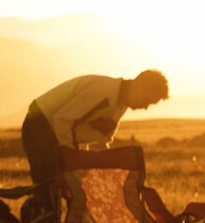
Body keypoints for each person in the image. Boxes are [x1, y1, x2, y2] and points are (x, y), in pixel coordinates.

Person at [21, 70, 169, 193]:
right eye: (148, 100)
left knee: (64, 192)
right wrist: (74, 162)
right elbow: (63, 121)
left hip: (54, 131)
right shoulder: (103, 92)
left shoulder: (120, 104)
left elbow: (101, 142)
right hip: (40, 126)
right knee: (49, 190)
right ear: (141, 85)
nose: (145, 107)